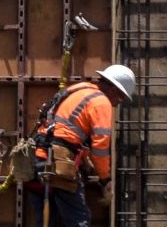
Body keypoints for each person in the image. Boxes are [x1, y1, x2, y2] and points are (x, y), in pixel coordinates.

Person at [24, 63, 135, 226]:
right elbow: (100, 148)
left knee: (47, 221)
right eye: (120, 97)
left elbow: (67, 132)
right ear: (113, 89)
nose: (118, 103)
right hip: (59, 166)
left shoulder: (79, 90)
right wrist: (105, 180)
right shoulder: (101, 102)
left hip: (37, 163)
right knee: (78, 221)